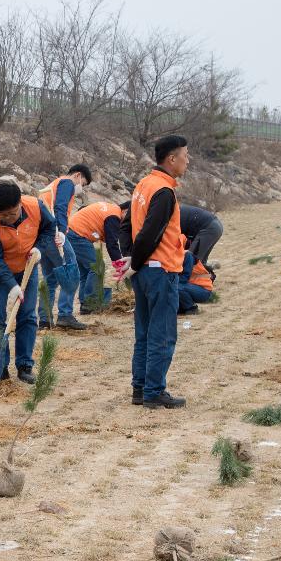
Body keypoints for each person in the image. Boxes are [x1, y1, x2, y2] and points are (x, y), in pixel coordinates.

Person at [119, 134, 190, 409]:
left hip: (145, 272)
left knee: (145, 332)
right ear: (171, 159)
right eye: (185, 155)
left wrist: (130, 259)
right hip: (160, 272)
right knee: (161, 334)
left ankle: (140, 389)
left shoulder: (144, 185)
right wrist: (134, 262)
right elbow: (150, 234)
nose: (187, 160)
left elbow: (127, 228)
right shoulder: (163, 191)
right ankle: (153, 392)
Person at [0, 181, 64, 383]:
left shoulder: (36, 207)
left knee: (27, 317)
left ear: (20, 204)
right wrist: (12, 285)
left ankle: (25, 365)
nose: (8, 218)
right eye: (3, 215)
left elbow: (49, 228)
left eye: (12, 213)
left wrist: (40, 249)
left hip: (27, 267)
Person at [35, 165, 89, 330]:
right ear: (78, 175)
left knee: (50, 278)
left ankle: (45, 320)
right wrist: (61, 231)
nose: (82, 188)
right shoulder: (67, 183)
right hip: (55, 234)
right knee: (71, 272)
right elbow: (60, 207)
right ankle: (65, 315)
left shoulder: (53, 185)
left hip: (42, 236)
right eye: (84, 184)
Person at [67, 198, 124, 312]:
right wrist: (119, 265)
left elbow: (108, 237)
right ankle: (90, 303)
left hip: (71, 232)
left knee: (86, 272)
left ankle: (85, 304)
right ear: (126, 211)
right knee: (97, 267)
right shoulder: (114, 216)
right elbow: (112, 244)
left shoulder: (111, 209)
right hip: (79, 234)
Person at [178, 248, 215, 314]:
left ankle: (191, 308)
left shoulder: (187, 255)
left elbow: (184, 278)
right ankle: (183, 308)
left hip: (204, 290)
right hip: (191, 287)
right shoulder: (173, 257)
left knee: (176, 286)